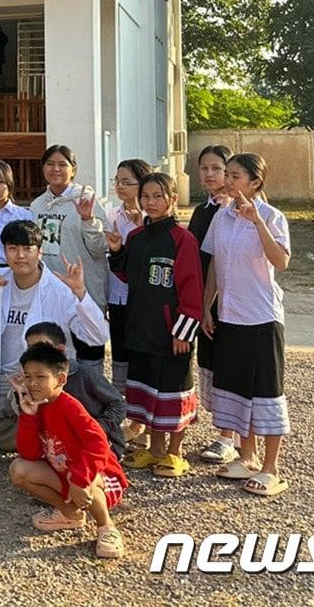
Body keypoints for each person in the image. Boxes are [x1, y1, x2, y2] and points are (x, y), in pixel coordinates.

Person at [0, 220, 107, 457]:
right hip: (0, 374)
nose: (20, 255)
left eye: (28, 249)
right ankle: (22, 435)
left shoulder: (58, 289)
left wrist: (80, 293)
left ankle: (25, 430)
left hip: (39, 379)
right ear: (4, 251)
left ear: (40, 251)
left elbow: (97, 336)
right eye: (13, 248)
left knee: (19, 409)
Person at [201, 153, 292, 498]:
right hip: (230, 314)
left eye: (236, 176)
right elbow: (214, 265)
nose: (228, 181)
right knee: (238, 388)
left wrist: (257, 222)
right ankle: (247, 456)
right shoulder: (221, 217)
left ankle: (271, 469)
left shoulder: (272, 217)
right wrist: (208, 307)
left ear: (255, 183)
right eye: (229, 175)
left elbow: (281, 261)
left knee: (266, 390)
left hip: (262, 317)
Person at [107, 172, 203, 478]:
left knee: (173, 391)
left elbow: (192, 289)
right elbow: (127, 276)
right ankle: (154, 447)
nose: (151, 202)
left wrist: (183, 331)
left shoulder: (183, 240)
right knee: (147, 390)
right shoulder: (136, 237)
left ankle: (175, 453)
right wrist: (118, 250)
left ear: (172, 199)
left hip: (171, 333)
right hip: (140, 328)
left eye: (158, 196)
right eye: (146, 196)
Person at [9, 341, 127, 560]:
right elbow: (30, 455)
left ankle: (106, 527)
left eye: (41, 377)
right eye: (27, 376)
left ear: (60, 379)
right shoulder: (36, 406)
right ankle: (69, 514)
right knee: (19, 469)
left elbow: (99, 444)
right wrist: (29, 416)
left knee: (87, 481)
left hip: (99, 476)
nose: (32, 383)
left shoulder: (69, 406)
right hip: (64, 471)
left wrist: (79, 479)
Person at [29, 146, 110, 373]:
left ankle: (90, 405)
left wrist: (88, 220)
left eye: (63, 164)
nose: (56, 169)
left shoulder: (87, 199)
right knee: (54, 355)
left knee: (89, 353)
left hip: (84, 290)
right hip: (51, 292)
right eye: (50, 164)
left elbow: (100, 247)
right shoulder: (37, 205)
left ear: (73, 170)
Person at [189, 144, 240, 465]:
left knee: (229, 365)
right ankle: (222, 429)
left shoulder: (238, 210)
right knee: (209, 362)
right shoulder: (202, 210)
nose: (210, 174)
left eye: (217, 169)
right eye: (204, 168)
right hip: (204, 299)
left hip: (232, 301)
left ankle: (228, 437)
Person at [24, 322, 126, 458]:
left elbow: (119, 404)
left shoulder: (84, 374)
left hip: (93, 444)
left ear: (59, 350)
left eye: (42, 348)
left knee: (79, 473)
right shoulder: (30, 380)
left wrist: (96, 427)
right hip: (56, 446)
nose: (35, 354)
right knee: (20, 470)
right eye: (31, 349)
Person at [105, 158, 153, 399]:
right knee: (120, 353)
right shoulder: (111, 215)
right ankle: (123, 408)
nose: (120, 186)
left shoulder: (152, 217)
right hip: (117, 296)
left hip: (143, 299)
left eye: (126, 182)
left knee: (141, 354)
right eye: (117, 181)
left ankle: (142, 414)